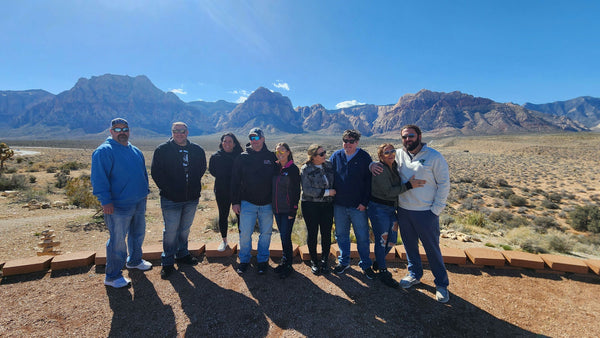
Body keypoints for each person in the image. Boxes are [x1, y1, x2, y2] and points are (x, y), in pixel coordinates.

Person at [371, 124, 451, 303]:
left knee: (432, 249)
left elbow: (444, 184)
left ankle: (441, 284)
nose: (408, 140)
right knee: (410, 247)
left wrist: (435, 210)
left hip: (426, 212)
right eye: (405, 137)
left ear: (420, 136)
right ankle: (414, 274)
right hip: (404, 211)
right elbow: (382, 160)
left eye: (411, 136)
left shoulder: (434, 157)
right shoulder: (399, 154)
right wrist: (371, 165)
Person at [91, 118, 151, 288]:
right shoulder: (104, 151)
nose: (122, 132)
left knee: (137, 233)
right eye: (117, 129)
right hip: (117, 205)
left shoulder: (135, 150)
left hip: (138, 200)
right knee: (117, 240)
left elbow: (143, 173)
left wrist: (145, 192)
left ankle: (135, 260)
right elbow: (99, 179)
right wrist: (105, 201)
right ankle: (112, 275)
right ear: (111, 131)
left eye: (125, 129)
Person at [151, 122, 207, 279]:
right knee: (170, 231)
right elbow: (156, 173)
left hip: (191, 198)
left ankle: (182, 254)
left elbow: (201, 169)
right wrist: (170, 190)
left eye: (182, 131)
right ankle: (167, 262)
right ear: (172, 132)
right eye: (176, 131)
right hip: (171, 199)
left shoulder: (197, 150)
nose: (179, 134)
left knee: (184, 229)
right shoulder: (162, 150)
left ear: (187, 132)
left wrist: (193, 187)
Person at [368, 143, 425, 288]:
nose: (391, 154)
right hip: (378, 209)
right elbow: (388, 191)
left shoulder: (394, 166)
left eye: (393, 151)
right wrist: (409, 186)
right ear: (380, 156)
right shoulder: (380, 169)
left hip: (390, 209)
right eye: (386, 152)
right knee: (382, 240)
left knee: (392, 239)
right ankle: (382, 270)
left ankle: (378, 261)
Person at [329, 129, 375, 279]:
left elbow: (369, 182)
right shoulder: (336, 156)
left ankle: (366, 264)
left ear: (357, 142)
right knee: (341, 235)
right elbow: (327, 172)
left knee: (362, 236)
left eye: (351, 141)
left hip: (358, 206)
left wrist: (364, 202)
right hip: (339, 205)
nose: (347, 144)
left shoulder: (364, 157)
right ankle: (344, 262)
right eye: (345, 141)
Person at [231, 128, 278, 275]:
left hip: (267, 204)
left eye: (258, 138)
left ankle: (262, 260)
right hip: (247, 202)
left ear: (263, 139)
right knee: (245, 233)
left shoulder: (271, 157)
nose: (255, 141)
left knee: (266, 233)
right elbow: (235, 181)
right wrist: (235, 202)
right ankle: (244, 260)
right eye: (252, 138)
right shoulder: (242, 157)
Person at [300, 144, 336, 275]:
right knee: (313, 233)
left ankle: (325, 260)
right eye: (321, 154)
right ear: (313, 156)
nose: (324, 155)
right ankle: (314, 261)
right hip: (310, 205)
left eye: (324, 152)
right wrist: (327, 192)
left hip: (327, 205)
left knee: (326, 233)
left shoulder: (329, 165)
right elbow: (307, 190)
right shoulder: (305, 169)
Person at [209, 132, 243, 251]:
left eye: (230, 141)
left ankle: (242, 240)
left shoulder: (240, 156)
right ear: (221, 143)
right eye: (225, 141)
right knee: (223, 215)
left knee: (240, 216)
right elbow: (212, 171)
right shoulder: (215, 157)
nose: (227, 144)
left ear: (234, 144)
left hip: (238, 191)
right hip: (221, 190)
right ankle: (224, 241)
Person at [271, 142, 301, 279]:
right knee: (283, 236)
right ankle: (285, 261)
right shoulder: (275, 168)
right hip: (277, 209)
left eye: (282, 151)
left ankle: (288, 264)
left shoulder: (293, 169)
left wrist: (293, 210)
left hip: (288, 210)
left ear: (288, 152)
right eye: (277, 151)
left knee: (285, 235)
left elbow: (296, 192)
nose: (280, 153)